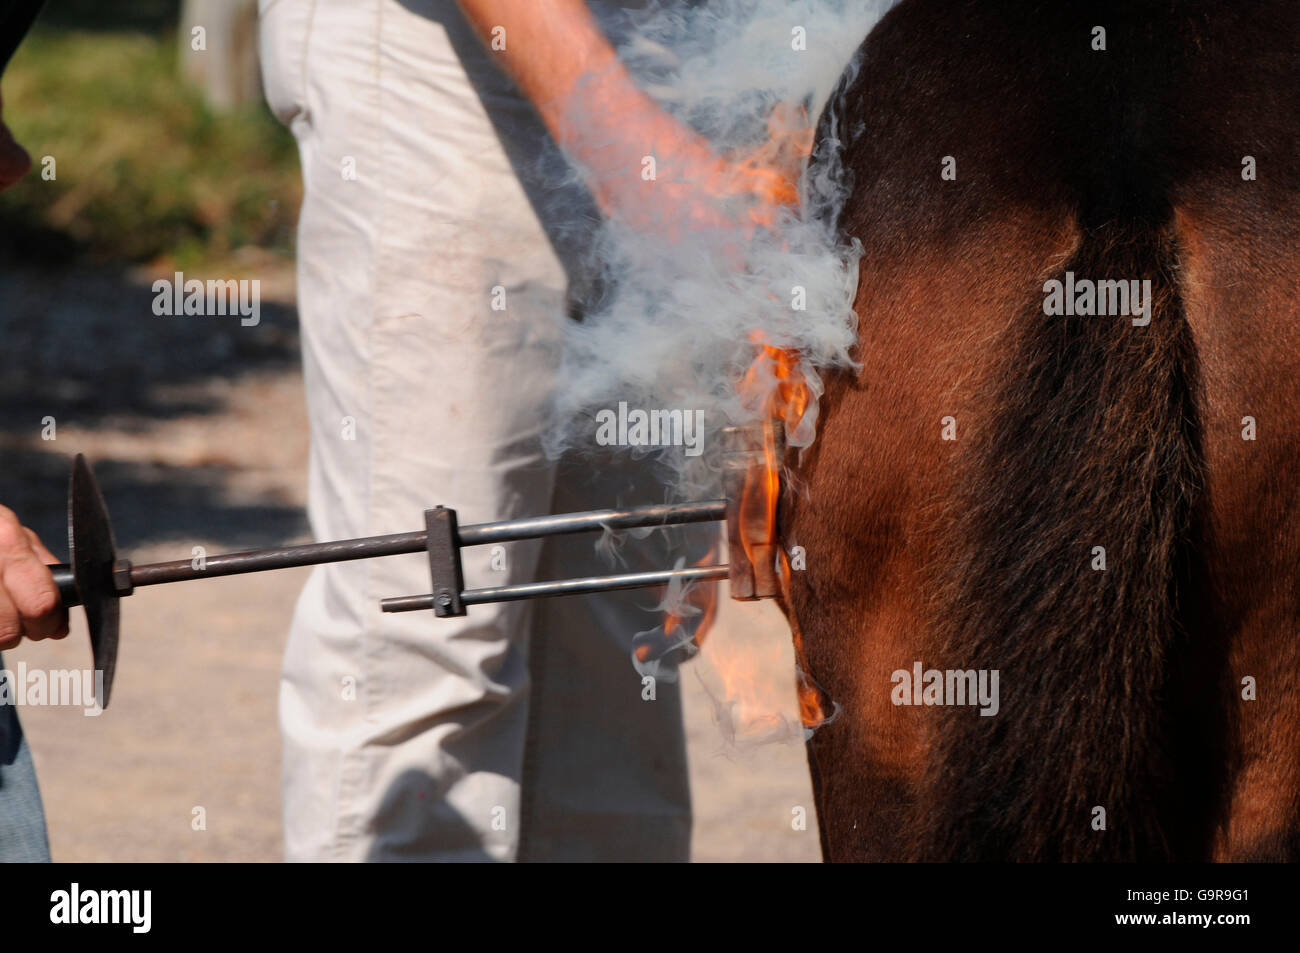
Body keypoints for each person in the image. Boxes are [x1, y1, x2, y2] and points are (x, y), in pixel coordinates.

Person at [0, 0, 757, 861]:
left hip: (670, 49)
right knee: (436, 640)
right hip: (439, 56)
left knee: (630, 634)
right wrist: (619, 135)